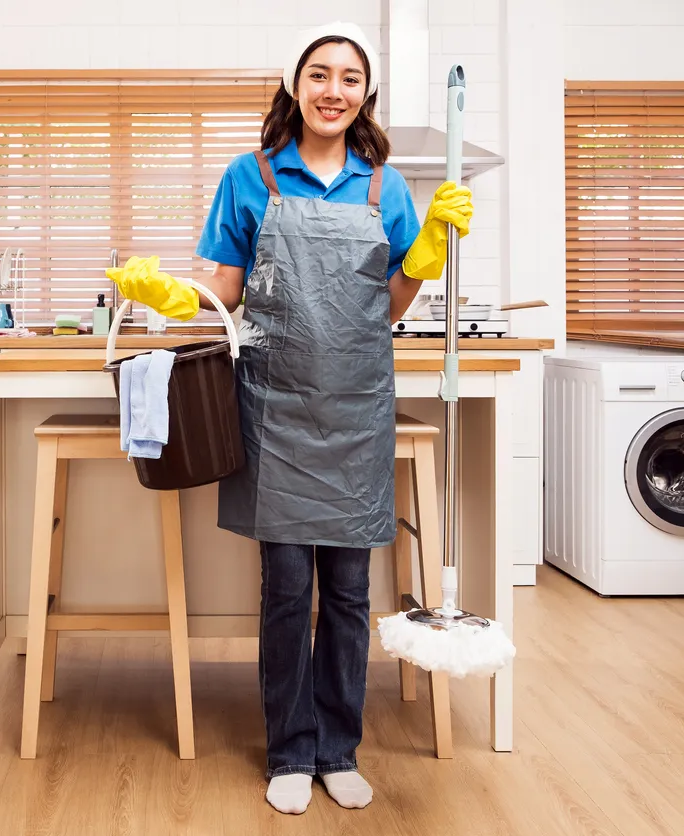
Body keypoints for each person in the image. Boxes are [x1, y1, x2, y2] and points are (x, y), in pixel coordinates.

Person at [107, 21, 474, 815]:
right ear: (294, 85)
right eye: (319, 74)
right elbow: (226, 291)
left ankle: (339, 749)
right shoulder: (252, 175)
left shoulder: (385, 186)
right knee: (284, 590)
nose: (333, 90)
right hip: (275, 409)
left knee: (347, 591)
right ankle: (289, 750)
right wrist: (172, 296)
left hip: (355, 408)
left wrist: (424, 256)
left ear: (365, 95)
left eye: (349, 78)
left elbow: (389, 308)